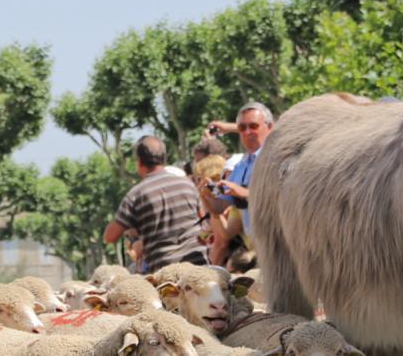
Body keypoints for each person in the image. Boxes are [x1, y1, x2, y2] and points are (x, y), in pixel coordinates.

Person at [103, 135, 205, 271]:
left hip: (165, 272)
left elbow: (110, 237)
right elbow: (203, 219)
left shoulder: (136, 194)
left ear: (139, 162)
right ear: (164, 158)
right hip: (199, 264)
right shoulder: (187, 184)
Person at [203, 101, 274, 243]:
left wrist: (244, 193)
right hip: (257, 245)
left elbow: (281, 196)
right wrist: (206, 195)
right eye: (242, 128)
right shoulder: (240, 166)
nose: (247, 132)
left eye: (253, 126)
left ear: (270, 127)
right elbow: (219, 207)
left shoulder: (279, 157)